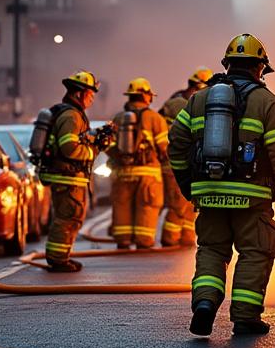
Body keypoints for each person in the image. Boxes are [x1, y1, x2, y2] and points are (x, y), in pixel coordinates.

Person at [167, 34, 275, 337]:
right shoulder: (265, 101)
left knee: (212, 250)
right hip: (251, 196)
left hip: (209, 194)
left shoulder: (199, 99)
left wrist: (188, 184)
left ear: (227, 65)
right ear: (260, 68)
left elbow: (176, 143)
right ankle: (245, 316)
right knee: (256, 250)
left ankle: (204, 304)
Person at [37, 71, 106, 272]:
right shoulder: (71, 115)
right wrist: (94, 150)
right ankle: (58, 260)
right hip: (67, 176)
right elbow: (69, 147)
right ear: (79, 94)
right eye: (90, 94)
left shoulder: (69, 113)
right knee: (68, 217)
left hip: (66, 176)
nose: (92, 99)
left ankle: (61, 257)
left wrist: (96, 138)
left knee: (70, 217)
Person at [107, 78, 170, 249]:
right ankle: (143, 241)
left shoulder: (118, 119)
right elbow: (164, 149)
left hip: (122, 173)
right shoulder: (155, 118)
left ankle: (123, 239)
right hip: (148, 175)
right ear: (146, 96)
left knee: (122, 206)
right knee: (147, 207)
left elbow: (108, 145)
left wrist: (119, 159)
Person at [159, 67, 212, 246]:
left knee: (189, 202)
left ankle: (187, 237)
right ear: (198, 88)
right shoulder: (181, 105)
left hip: (185, 161)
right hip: (174, 164)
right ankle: (170, 238)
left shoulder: (181, 101)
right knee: (178, 202)